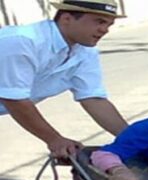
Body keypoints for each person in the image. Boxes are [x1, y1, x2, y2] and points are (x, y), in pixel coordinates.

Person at [0, 0, 128, 161]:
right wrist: (54, 139)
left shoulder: (85, 51)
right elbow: (14, 99)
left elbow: (93, 99)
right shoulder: (21, 41)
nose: (105, 30)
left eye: (109, 24)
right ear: (66, 18)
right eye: (99, 21)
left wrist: (134, 139)